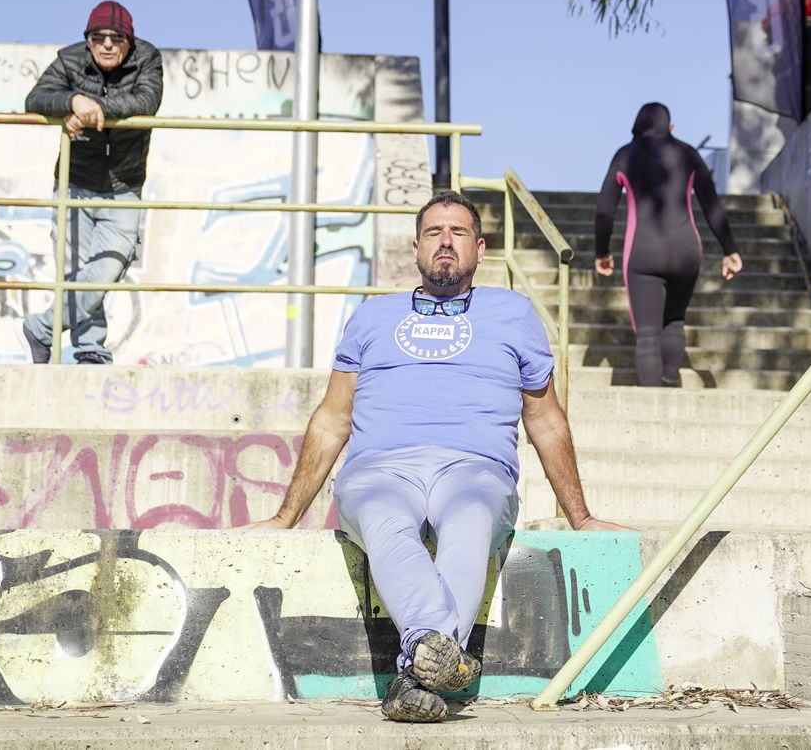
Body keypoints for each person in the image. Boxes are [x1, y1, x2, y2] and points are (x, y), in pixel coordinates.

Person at [248, 191, 624, 723]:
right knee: (383, 517)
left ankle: (417, 666)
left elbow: (545, 418)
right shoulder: (372, 317)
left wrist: (580, 516)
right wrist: (285, 516)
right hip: (379, 469)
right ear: (416, 248)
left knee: (471, 519)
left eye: (458, 232)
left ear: (480, 248)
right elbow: (332, 418)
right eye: (433, 232)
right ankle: (430, 661)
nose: (445, 241)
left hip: (476, 469)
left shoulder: (514, 314)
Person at [20, 0, 163, 364]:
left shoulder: (147, 58)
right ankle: (90, 349)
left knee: (106, 268)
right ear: (87, 40)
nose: (108, 44)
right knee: (74, 274)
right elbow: (35, 99)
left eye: (117, 38)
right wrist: (72, 100)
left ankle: (43, 329)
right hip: (74, 181)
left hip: (124, 184)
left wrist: (90, 110)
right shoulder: (69, 60)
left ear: (130, 40)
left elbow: (146, 101)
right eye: (98, 37)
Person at [593, 103, 744, 386]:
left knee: (647, 334)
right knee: (674, 321)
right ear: (670, 126)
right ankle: (670, 385)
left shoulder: (625, 154)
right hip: (687, 252)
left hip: (643, 252)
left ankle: (654, 401)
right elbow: (711, 205)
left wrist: (602, 251)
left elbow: (604, 210)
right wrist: (730, 249)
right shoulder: (688, 153)